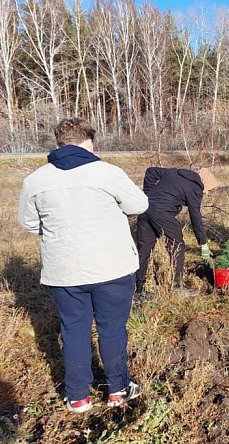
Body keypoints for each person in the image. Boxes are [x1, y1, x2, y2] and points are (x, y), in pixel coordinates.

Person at [18, 117, 148, 412]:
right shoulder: (108, 173)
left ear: (57, 144)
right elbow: (139, 205)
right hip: (112, 268)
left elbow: (27, 222)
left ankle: (78, 397)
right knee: (112, 329)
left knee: (74, 329)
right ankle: (117, 390)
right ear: (90, 142)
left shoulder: (35, 179)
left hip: (64, 272)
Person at [135, 166, 219, 297]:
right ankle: (176, 287)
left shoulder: (174, 172)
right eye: (208, 190)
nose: (206, 193)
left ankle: (138, 289)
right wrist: (203, 243)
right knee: (177, 246)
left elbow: (151, 171)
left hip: (144, 209)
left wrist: (148, 195)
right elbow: (195, 216)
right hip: (162, 213)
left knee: (144, 249)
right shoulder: (195, 188)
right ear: (204, 182)